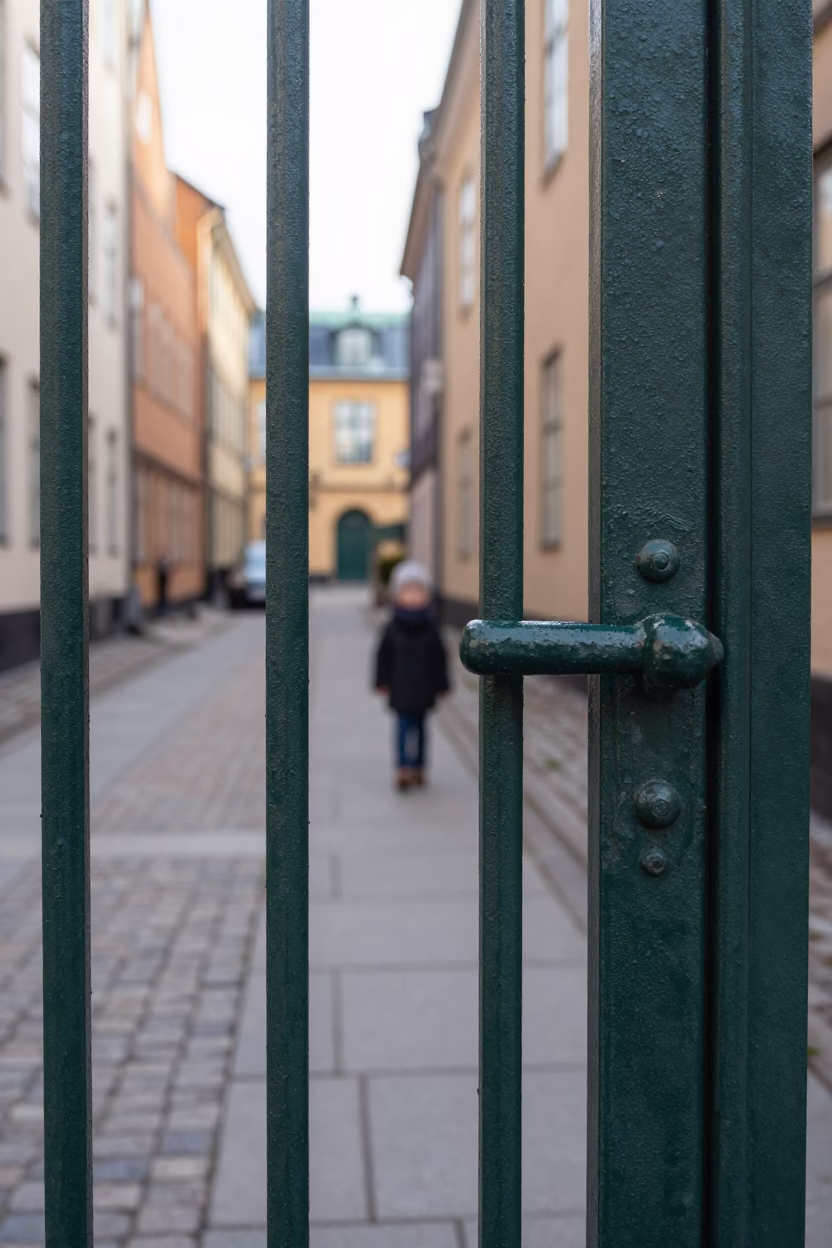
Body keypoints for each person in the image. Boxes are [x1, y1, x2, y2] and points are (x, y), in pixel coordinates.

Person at [374, 560, 450, 791]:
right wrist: (381, 681)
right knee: (402, 727)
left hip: (424, 687)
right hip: (400, 687)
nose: (413, 597)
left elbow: (440, 657)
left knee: (421, 729)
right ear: (397, 595)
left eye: (418, 591)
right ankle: (403, 767)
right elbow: (382, 656)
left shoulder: (431, 626)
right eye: (407, 591)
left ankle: (419, 766)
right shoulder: (392, 627)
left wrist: (442, 684)